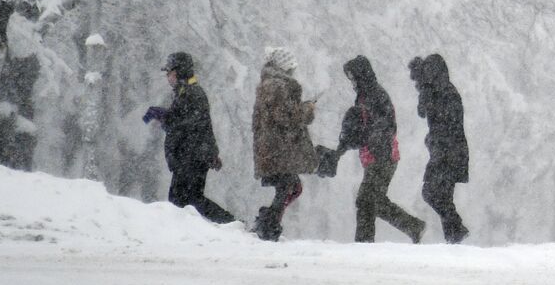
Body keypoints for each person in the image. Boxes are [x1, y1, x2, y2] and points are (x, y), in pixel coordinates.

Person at [330, 55, 426, 243]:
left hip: (383, 157)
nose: (352, 81)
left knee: (366, 201)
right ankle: (412, 227)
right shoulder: (365, 96)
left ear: (361, 75)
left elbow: (385, 125)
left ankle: (366, 243)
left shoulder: (375, 95)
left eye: (353, 77)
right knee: (373, 201)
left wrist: (369, 138)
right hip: (375, 157)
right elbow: (362, 128)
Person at [143, 51, 235, 224]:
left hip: (191, 158)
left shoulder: (192, 94)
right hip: (189, 157)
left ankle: (231, 223)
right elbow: (195, 124)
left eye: (169, 72)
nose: (167, 77)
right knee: (185, 202)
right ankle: (228, 224)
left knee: (187, 202)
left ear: (179, 71)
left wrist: (163, 115)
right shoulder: (186, 93)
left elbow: (184, 124)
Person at [251, 46, 318, 241]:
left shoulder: (269, 84)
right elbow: (286, 117)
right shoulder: (277, 86)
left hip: (272, 148)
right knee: (289, 186)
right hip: (279, 149)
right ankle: (268, 224)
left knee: (289, 186)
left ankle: (268, 221)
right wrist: (307, 109)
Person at [413, 53, 471, 243]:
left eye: (430, 73)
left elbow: (449, 124)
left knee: (434, 193)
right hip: (444, 151)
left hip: (450, 153)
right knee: (437, 195)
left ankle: (455, 232)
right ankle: (454, 235)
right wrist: (423, 87)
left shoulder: (448, 93)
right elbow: (423, 111)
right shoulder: (436, 91)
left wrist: (436, 142)